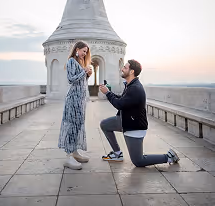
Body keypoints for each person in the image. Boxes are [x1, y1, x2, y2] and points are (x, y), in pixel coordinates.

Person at [99, 60, 180, 167]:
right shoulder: (130, 85)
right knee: (105, 124)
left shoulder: (135, 88)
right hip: (125, 121)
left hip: (134, 126)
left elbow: (119, 104)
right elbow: (122, 100)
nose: (122, 69)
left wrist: (108, 93)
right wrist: (110, 92)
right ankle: (117, 154)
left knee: (138, 161)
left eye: (125, 67)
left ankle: (169, 156)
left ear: (132, 71)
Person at [58, 41, 92, 170]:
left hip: (81, 100)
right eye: (83, 51)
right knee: (71, 125)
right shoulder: (71, 61)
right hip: (73, 99)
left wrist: (87, 75)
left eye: (86, 52)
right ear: (77, 49)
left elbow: (81, 81)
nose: (85, 53)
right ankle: (68, 156)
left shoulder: (80, 62)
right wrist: (84, 71)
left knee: (78, 125)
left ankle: (75, 152)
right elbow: (71, 79)